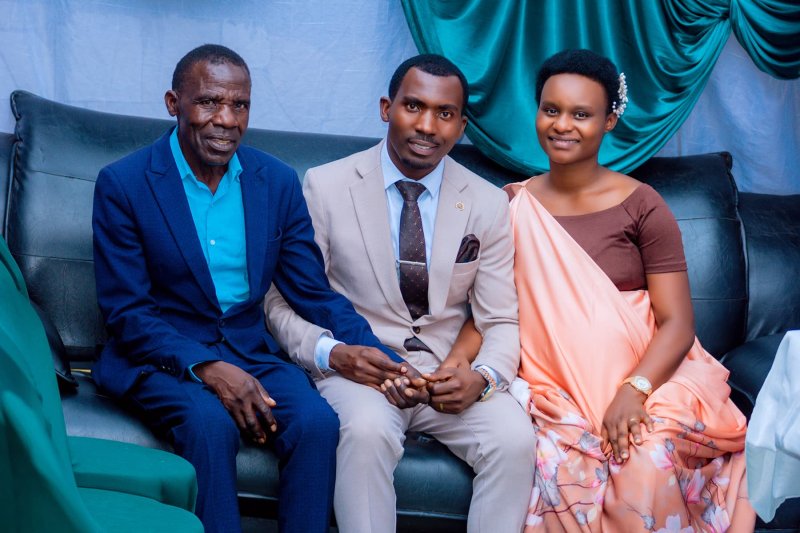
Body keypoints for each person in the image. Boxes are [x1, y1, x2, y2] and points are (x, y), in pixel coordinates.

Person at [92, 44, 411, 533]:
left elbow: (312, 293)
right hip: (159, 355)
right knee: (208, 424)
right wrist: (208, 368)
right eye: (208, 102)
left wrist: (383, 358)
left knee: (317, 423)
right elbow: (128, 313)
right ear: (174, 103)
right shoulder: (125, 183)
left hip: (249, 351)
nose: (226, 119)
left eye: (239, 105)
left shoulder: (275, 182)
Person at [456, 48, 755, 531]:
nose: (562, 125)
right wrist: (456, 361)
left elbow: (678, 324)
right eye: (551, 110)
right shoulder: (511, 206)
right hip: (556, 391)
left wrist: (633, 392)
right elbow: (490, 312)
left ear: (610, 121)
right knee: (562, 465)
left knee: (646, 456)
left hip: (652, 380)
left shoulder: (642, 205)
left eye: (581, 114)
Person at [264, 54, 536, 533]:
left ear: (461, 126)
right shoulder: (325, 186)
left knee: (515, 441)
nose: (427, 126)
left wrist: (484, 377)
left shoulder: (488, 202)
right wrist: (333, 354)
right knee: (366, 432)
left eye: (445, 113)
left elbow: (500, 319)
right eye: (414, 106)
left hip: (444, 375)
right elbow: (280, 300)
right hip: (359, 371)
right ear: (386, 108)